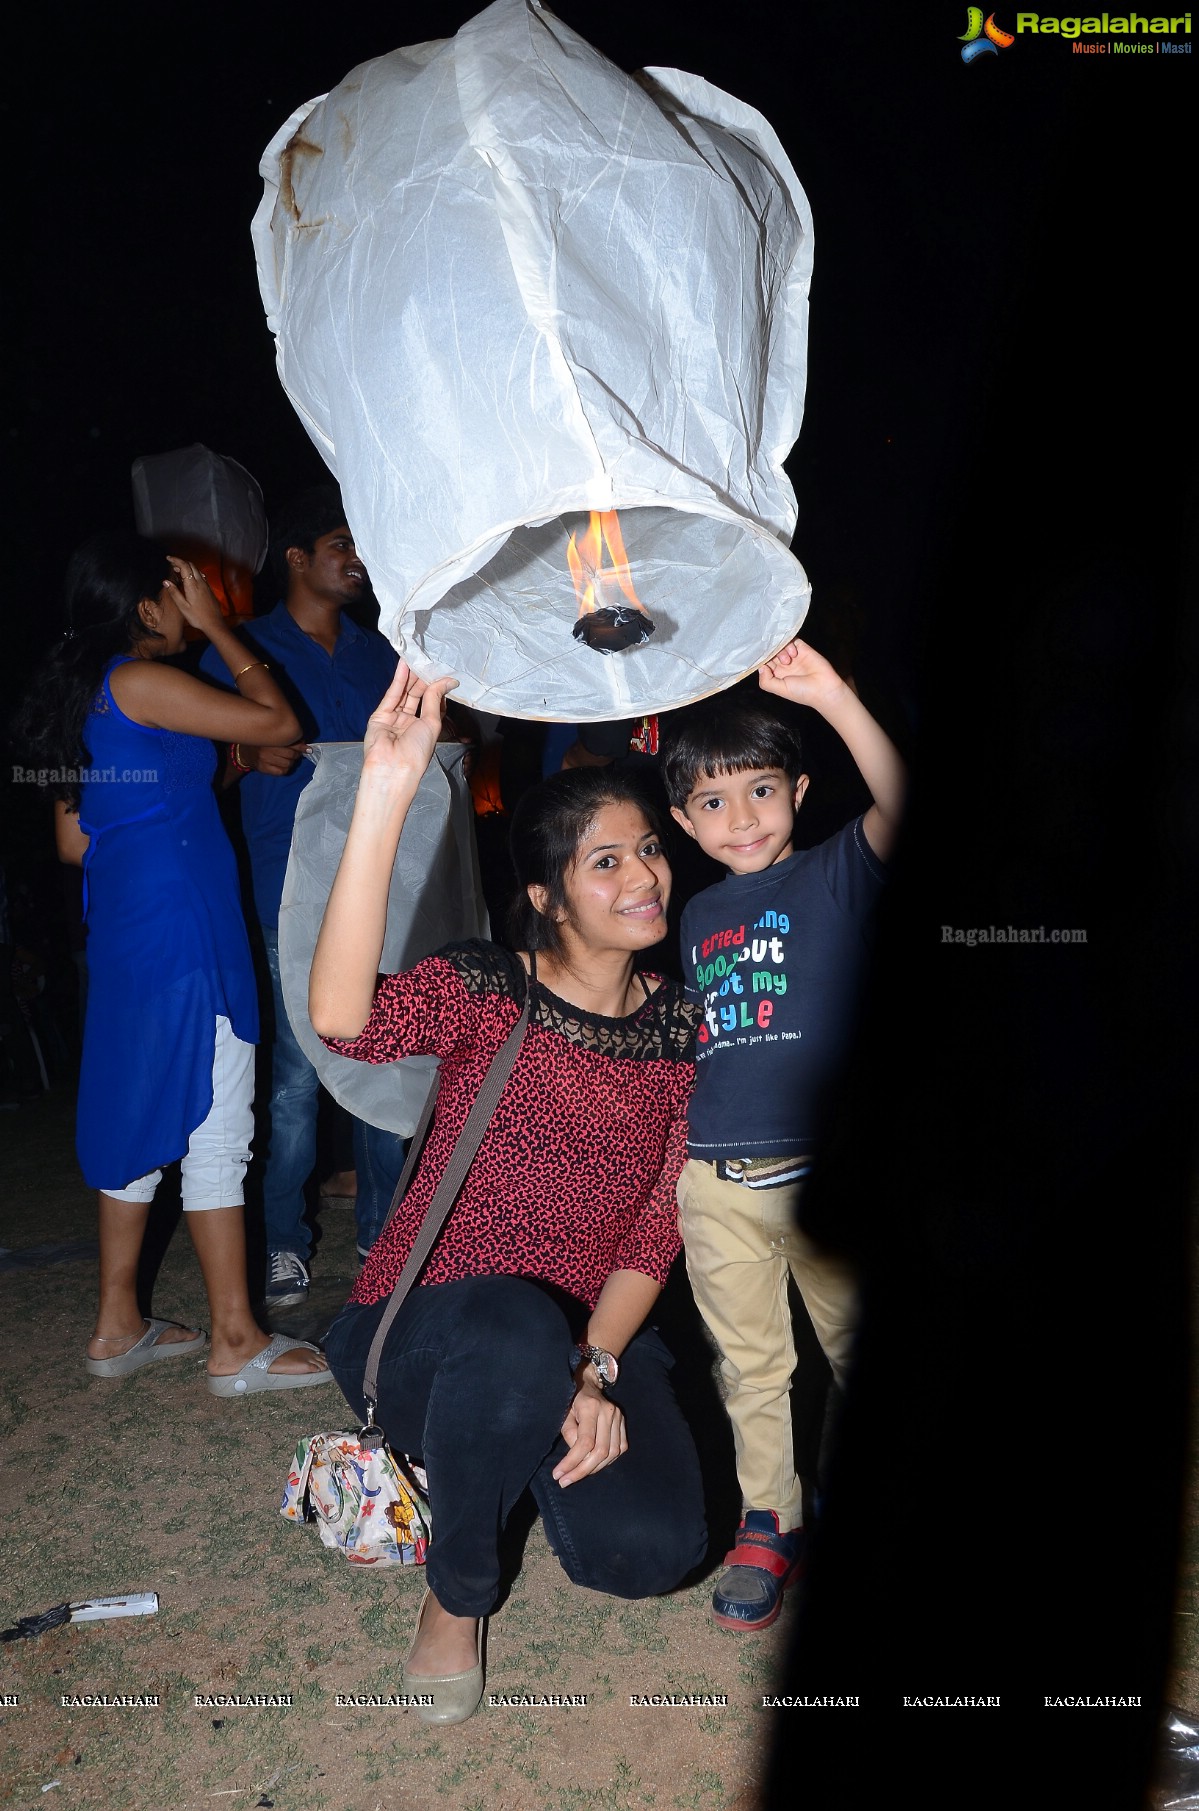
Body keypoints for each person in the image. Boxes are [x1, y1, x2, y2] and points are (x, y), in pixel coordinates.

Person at [308, 662, 707, 1725]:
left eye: (650, 849)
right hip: (424, 1331)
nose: (644, 878)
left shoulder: (683, 1028)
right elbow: (346, 1019)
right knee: (503, 1320)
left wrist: (593, 1364)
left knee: (650, 1549)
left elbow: (654, 1223)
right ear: (543, 895)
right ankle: (457, 1593)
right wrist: (384, 794)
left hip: (584, 1338)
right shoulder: (490, 987)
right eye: (606, 860)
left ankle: (507, 1445)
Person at [11, 533, 336, 1394]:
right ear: (144, 604)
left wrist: (219, 772)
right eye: (179, 590)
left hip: (124, 932)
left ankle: (119, 1324)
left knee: (137, 1113)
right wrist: (225, 629)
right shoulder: (140, 679)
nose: (192, 599)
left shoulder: (85, 696)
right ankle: (235, 1338)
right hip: (188, 931)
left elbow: (77, 840)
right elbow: (279, 718)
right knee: (218, 1129)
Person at [660, 637, 906, 1630]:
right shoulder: (695, 913)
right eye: (710, 802)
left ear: (798, 791)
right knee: (750, 1364)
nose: (739, 817)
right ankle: (770, 1517)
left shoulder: (840, 872)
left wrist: (836, 695)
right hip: (716, 1179)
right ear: (681, 818)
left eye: (759, 790)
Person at [200, 486, 408, 1305]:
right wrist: (245, 763)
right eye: (338, 543)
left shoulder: (379, 653)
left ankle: (383, 1238)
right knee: (293, 1073)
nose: (355, 558)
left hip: (375, 877)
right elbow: (193, 772)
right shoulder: (244, 649)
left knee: (383, 1054)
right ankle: (284, 1241)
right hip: (284, 881)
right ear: (295, 557)